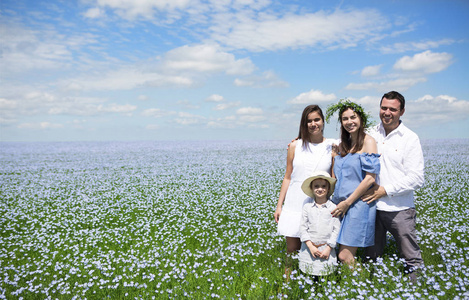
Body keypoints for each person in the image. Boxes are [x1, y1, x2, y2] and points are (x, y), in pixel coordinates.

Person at [362, 91, 425, 278]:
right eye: (383, 108)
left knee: (410, 257)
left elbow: (417, 178)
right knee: (371, 256)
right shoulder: (370, 133)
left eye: (392, 109)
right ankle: (370, 288)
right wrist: (301, 142)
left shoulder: (409, 138)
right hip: (371, 206)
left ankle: (417, 290)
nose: (387, 112)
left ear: (402, 112)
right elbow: (345, 141)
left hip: (399, 208)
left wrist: (385, 190)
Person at [274, 105, 337, 275]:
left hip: (320, 204)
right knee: (292, 248)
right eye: (309, 121)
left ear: (323, 121)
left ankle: (316, 282)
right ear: (304, 123)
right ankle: (288, 285)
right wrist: (280, 205)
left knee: (319, 245)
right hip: (295, 202)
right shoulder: (295, 145)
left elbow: (334, 178)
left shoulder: (332, 146)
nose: (313, 124)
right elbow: (287, 177)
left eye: (316, 119)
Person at [325, 99, 381, 265]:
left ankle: (362, 289)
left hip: (357, 204)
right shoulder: (343, 145)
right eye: (345, 119)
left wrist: (347, 203)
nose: (349, 122)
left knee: (345, 256)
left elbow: (370, 178)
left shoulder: (368, 141)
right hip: (340, 204)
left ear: (361, 119)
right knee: (336, 251)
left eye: (353, 117)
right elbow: (338, 177)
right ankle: (351, 286)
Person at [298, 171, 340, 277]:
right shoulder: (307, 207)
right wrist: (310, 246)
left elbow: (336, 229)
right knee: (309, 275)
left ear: (328, 189)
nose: (320, 189)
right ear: (312, 189)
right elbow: (303, 228)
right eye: (316, 186)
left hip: (326, 250)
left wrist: (329, 248)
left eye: (323, 186)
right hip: (309, 249)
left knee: (326, 276)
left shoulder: (333, 207)